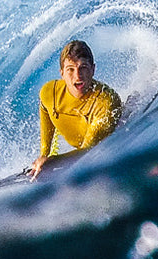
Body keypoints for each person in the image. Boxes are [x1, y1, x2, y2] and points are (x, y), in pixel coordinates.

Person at [30, 40, 122, 179]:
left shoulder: (106, 102)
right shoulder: (49, 92)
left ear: (93, 69)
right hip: (83, 147)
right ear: (62, 73)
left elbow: (89, 151)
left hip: (115, 140)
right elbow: (44, 107)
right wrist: (45, 154)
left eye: (83, 67)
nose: (78, 76)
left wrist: (54, 162)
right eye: (70, 69)